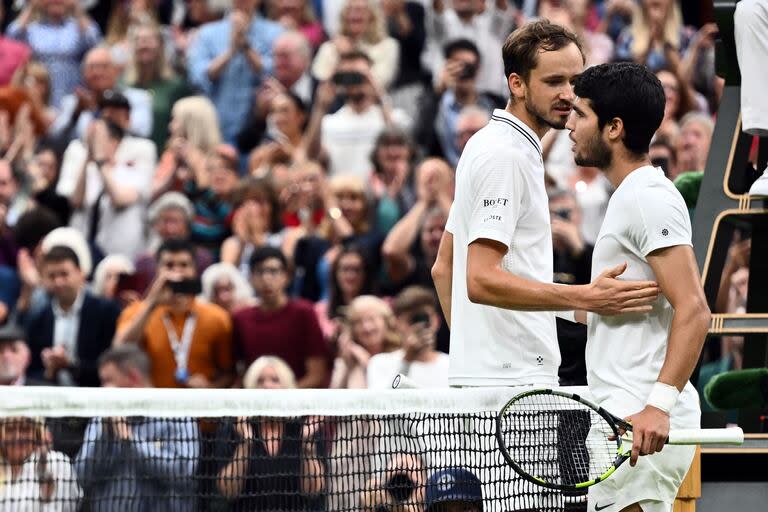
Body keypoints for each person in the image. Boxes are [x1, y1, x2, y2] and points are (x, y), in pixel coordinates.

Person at [431, 20, 659, 388]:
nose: (568, 94)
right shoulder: (506, 155)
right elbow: (479, 278)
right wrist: (584, 295)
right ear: (516, 84)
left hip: (495, 379)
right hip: (513, 385)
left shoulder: (491, 144)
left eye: (575, 81)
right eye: (554, 82)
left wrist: (475, 355)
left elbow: (444, 267)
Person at [566, 62, 710, 512]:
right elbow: (602, 309)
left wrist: (658, 406)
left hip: (638, 420)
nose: (569, 124)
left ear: (613, 128)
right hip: (621, 416)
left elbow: (695, 310)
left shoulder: (647, 197)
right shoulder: (629, 197)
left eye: (580, 114)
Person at [75, 345, 199, 512]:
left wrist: (130, 440)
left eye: (108, 381)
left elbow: (183, 471)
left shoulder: (177, 415)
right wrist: (104, 435)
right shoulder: (101, 418)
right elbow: (82, 476)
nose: (103, 389)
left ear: (133, 377)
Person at [113, 239, 235, 389]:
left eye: (184, 265)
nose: (177, 272)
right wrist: (151, 304)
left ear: (195, 270)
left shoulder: (217, 317)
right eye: (169, 265)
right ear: (157, 270)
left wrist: (210, 388)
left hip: (198, 408)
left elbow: (229, 373)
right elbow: (120, 350)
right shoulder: (137, 311)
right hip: (150, 407)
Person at [214, 355, 326, 511]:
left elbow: (313, 491)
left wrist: (307, 445)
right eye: (260, 381)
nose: (267, 385)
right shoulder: (234, 427)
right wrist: (245, 445)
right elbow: (228, 492)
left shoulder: (306, 426)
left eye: (275, 380)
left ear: (287, 387)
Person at [232, 246, 329, 387]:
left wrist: (284, 400)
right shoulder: (241, 319)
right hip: (255, 402)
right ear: (250, 278)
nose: (266, 279)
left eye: (273, 271)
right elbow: (239, 374)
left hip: (298, 403)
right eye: (259, 272)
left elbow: (317, 374)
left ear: (286, 276)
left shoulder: (304, 313)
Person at [25, 246, 120, 387]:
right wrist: (49, 370)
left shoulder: (105, 311)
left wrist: (71, 365)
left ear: (80, 273)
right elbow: (31, 371)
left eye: (64, 274)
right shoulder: (38, 318)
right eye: (52, 276)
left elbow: (112, 363)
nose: (58, 282)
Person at [366, 286, 449, 389]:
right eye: (412, 320)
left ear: (437, 320)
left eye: (425, 318)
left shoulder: (450, 365)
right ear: (397, 323)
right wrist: (407, 360)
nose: (419, 326)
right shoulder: (380, 363)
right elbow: (380, 402)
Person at [0, 417, 82, 511]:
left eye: (25, 428)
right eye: (10, 430)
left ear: (36, 432)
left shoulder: (59, 463)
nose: (18, 436)